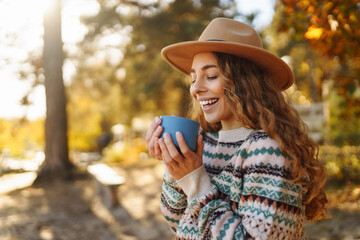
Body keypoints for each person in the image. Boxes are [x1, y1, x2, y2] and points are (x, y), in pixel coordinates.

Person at [145, 18, 328, 239]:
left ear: (245, 82)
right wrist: (174, 166)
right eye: (194, 78)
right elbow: (178, 222)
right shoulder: (205, 142)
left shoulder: (267, 151)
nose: (196, 89)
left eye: (211, 76)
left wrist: (195, 180)